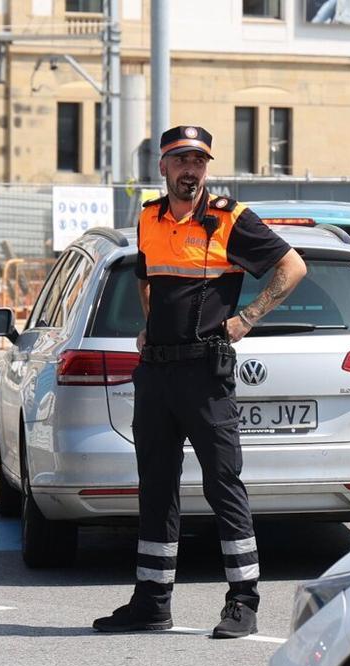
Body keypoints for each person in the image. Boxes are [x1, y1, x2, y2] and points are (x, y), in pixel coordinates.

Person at [92, 125, 306, 639]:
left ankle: (243, 601)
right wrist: (148, 326)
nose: (191, 170)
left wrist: (247, 317)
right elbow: (146, 277)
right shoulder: (147, 217)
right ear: (163, 167)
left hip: (205, 375)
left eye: (200, 161)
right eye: (181, 160)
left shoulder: (229, 219)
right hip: (157, 375)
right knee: (156, 490)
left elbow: (292, 267)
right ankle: (151, 603)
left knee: (223, 485)